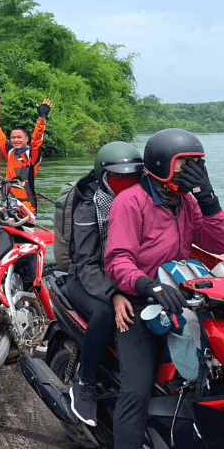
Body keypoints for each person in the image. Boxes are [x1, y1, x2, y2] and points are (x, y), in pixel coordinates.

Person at [103, 129, 224, 449]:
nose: (192, 171)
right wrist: (149, 286)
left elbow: (220, 243)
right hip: (140, 301)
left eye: (196, 165)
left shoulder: (187, 203)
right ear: (160, 165)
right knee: (136, 392)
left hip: (183, 300)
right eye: (184, 164)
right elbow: (118, 260)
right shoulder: (130, 202)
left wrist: (209, 200)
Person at [63, 142, 143, 427]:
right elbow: (85, 261)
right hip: (88, 277)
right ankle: (85, 384)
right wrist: (113, 294)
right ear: (103, 176)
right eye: (118, 177)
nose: (127, 183)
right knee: (105, 314)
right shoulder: (90, 203)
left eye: (133, 176)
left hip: (129, 275)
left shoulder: (144, 199)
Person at [0, 98, 52, 211]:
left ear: (26, 139)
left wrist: (42, 118)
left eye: (19, 137)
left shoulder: (31, 156)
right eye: (13, 137)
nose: (16, 140)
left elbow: (37, 140)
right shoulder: (10, 151)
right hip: (8, 201)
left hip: (26, 205)